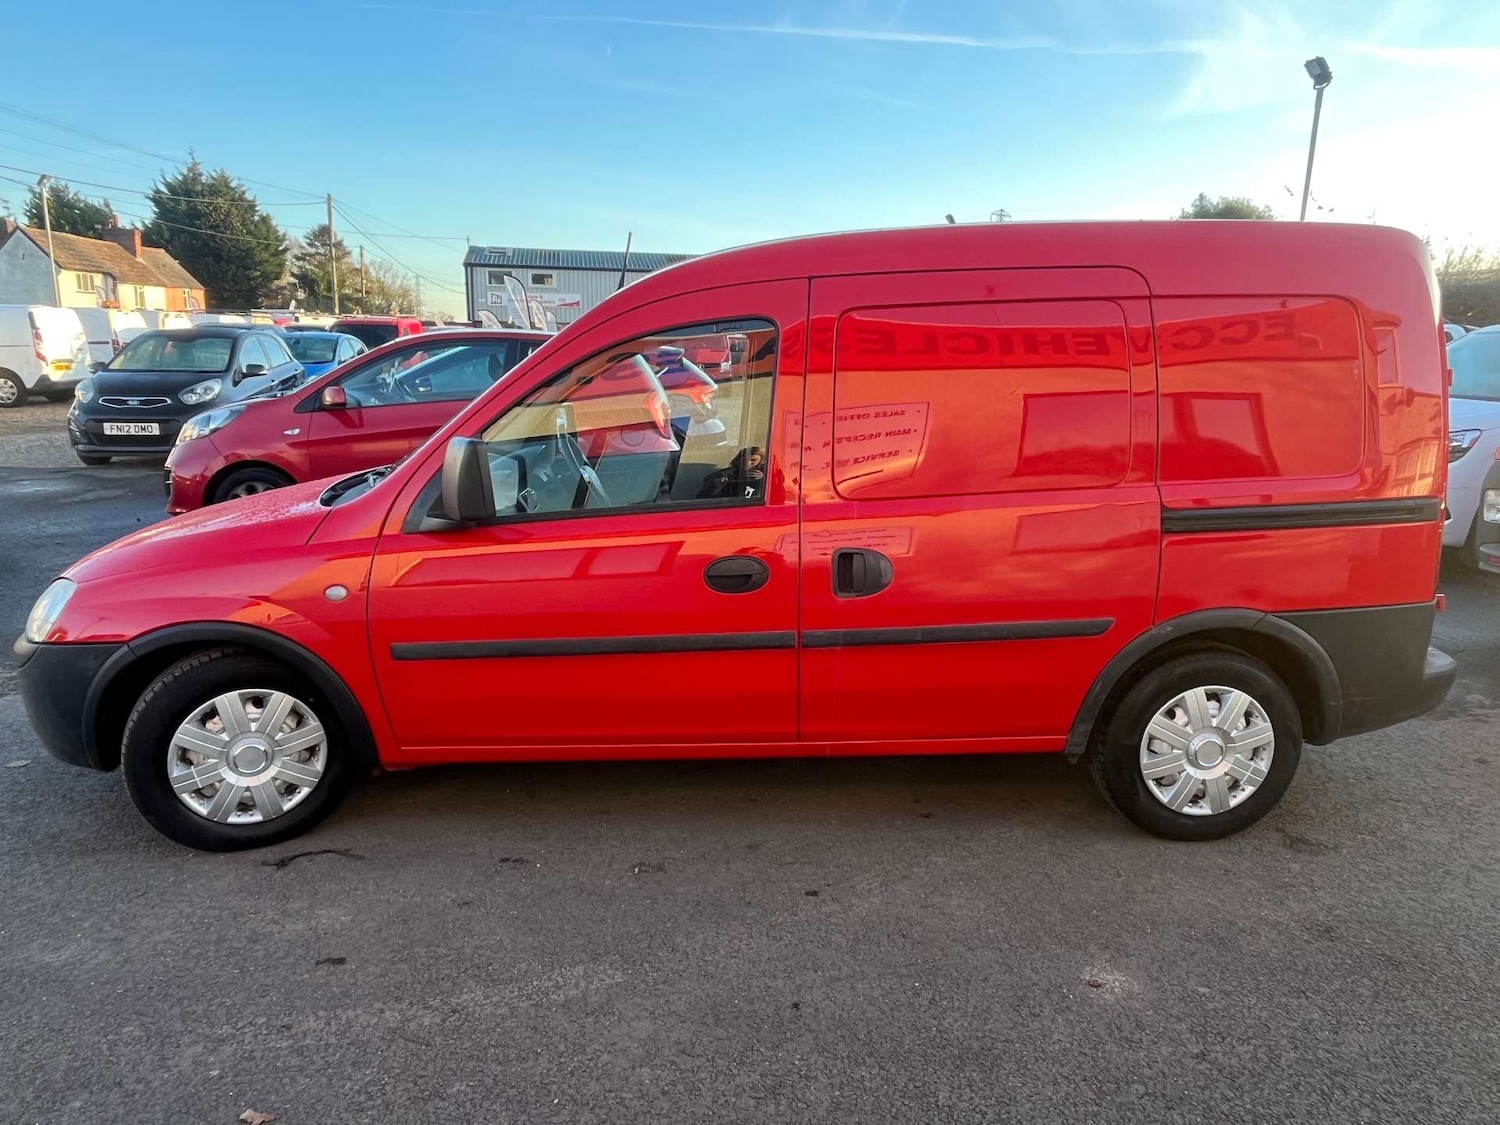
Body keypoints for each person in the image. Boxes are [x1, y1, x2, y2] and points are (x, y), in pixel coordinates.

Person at [698, 446, 766, 500]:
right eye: (744, 459)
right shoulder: (726, 474)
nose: (747, 463)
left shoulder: (766, 475)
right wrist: (718, 484)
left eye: (753, 460)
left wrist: (763, 479)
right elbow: (703, 497)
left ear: (761, 461)